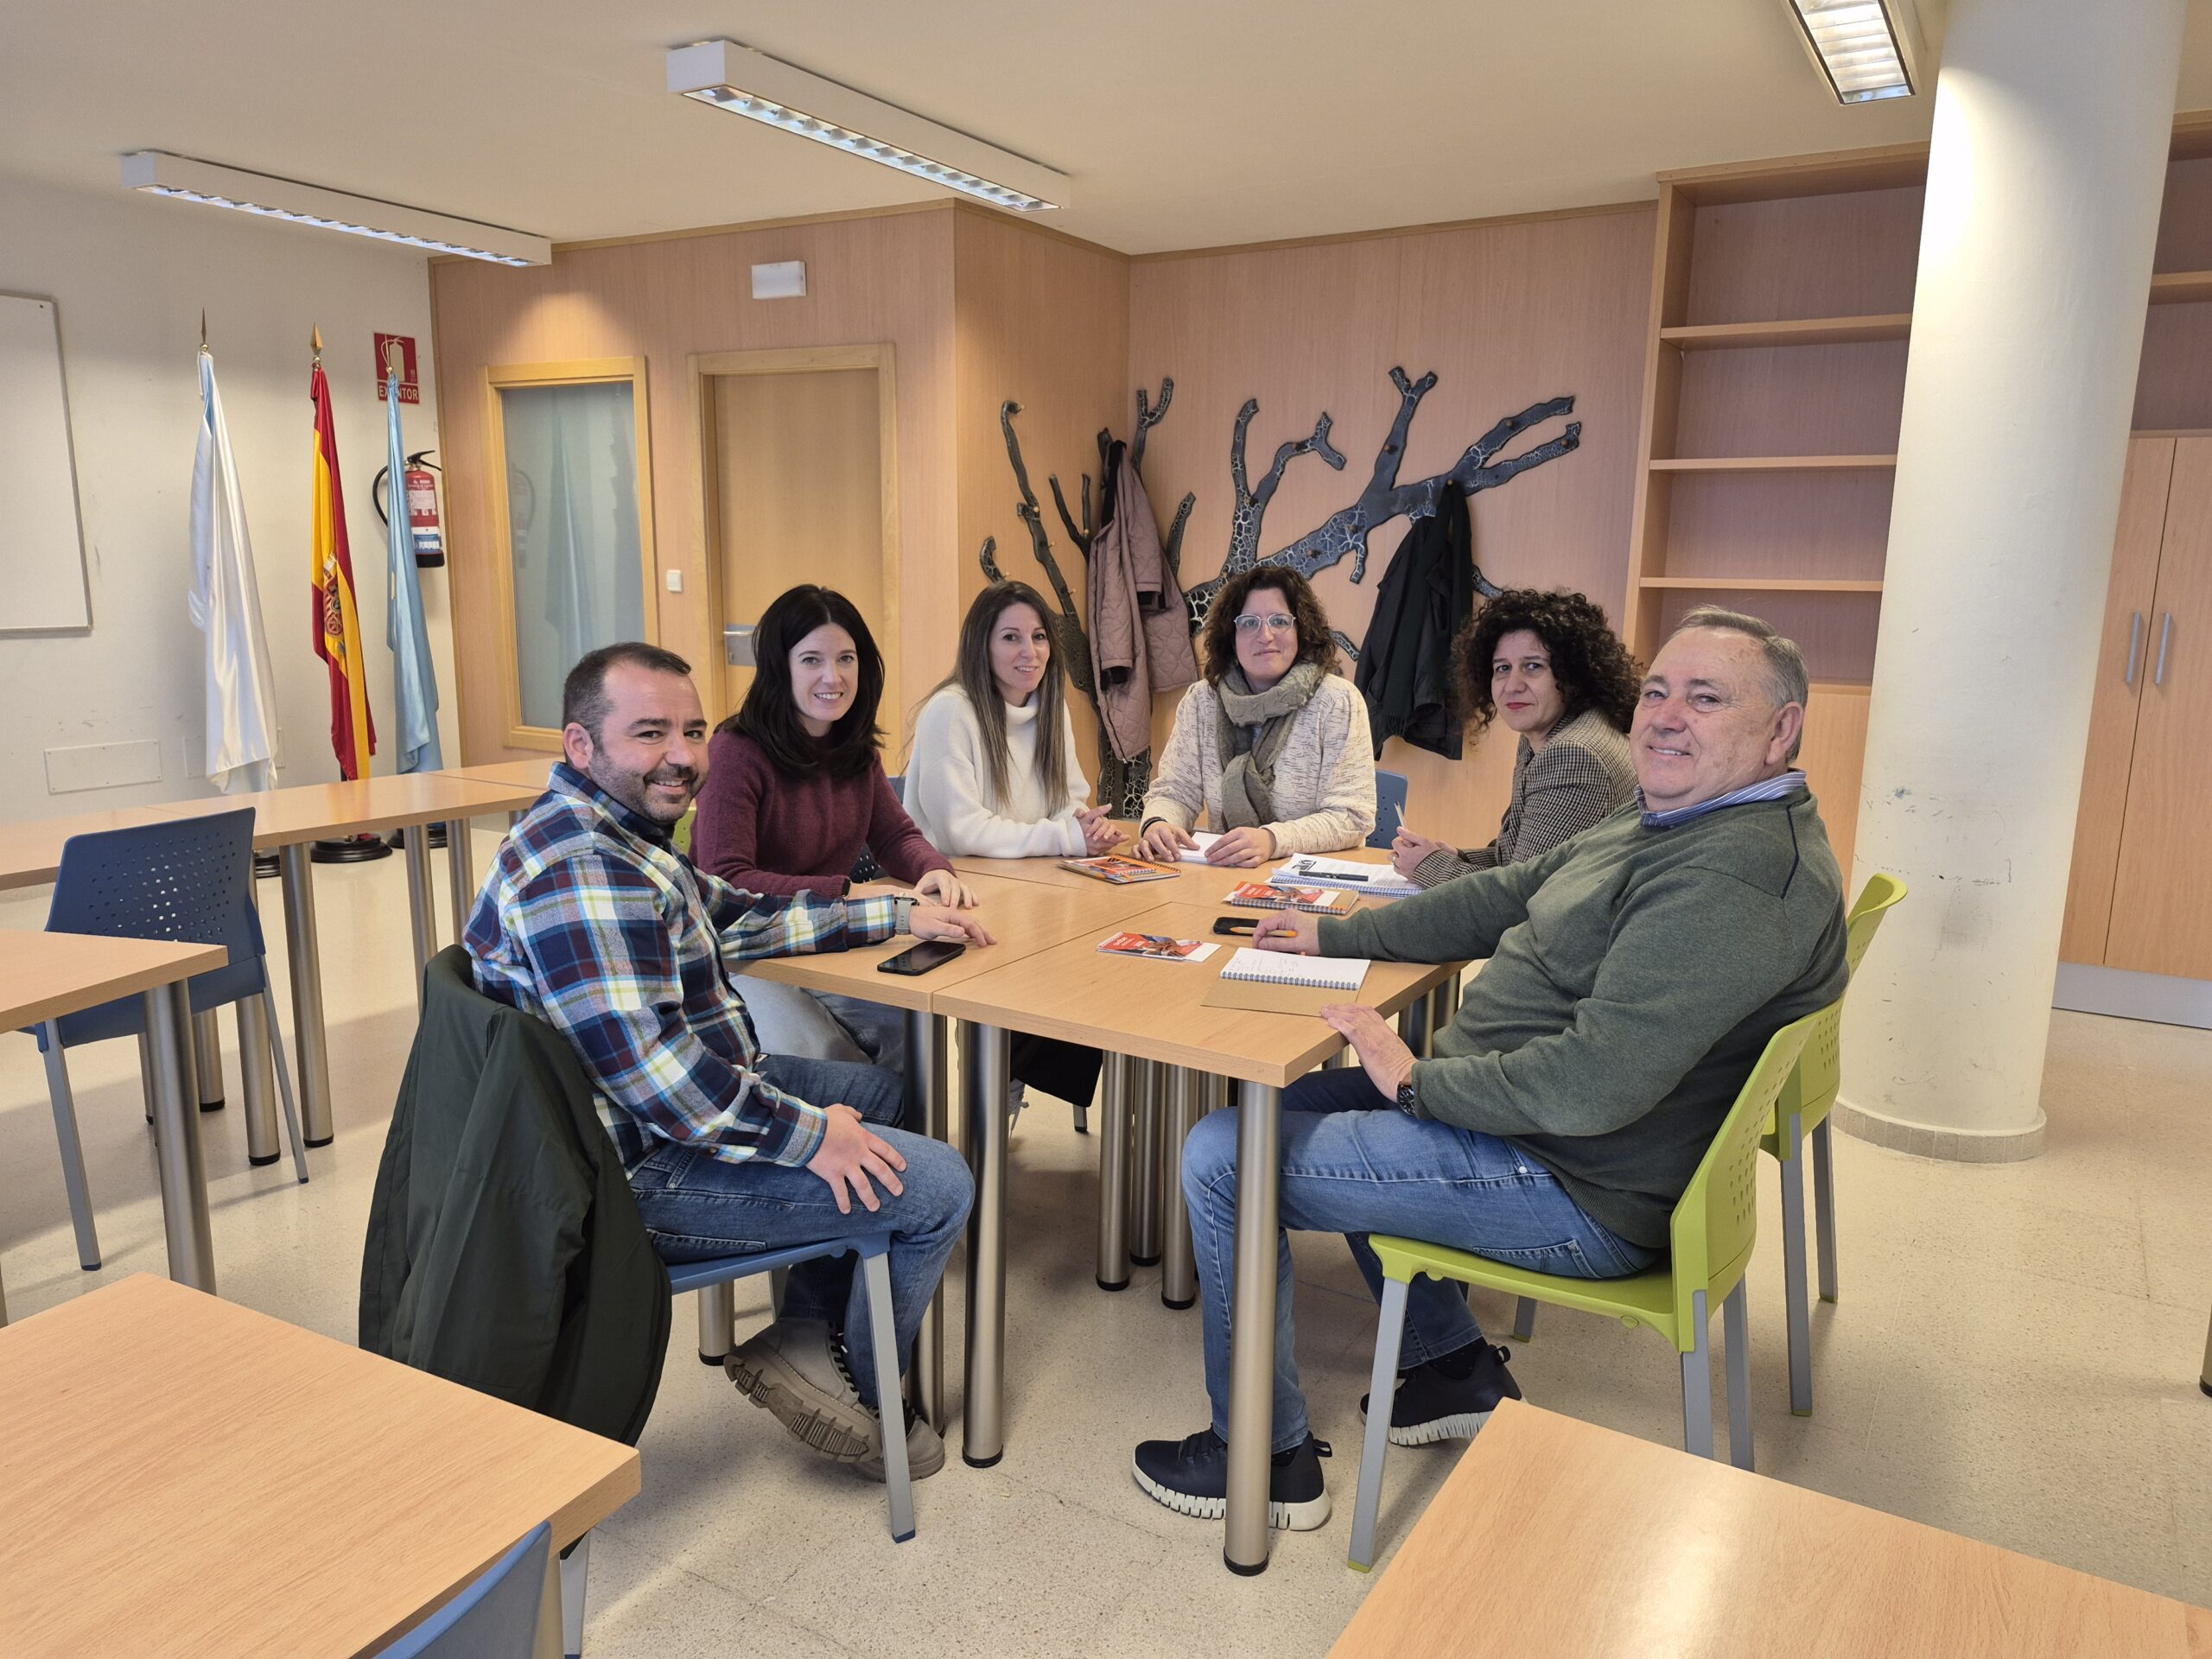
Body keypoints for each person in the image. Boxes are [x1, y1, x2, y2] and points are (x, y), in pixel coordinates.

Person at [1130, 607, 1849, 1530]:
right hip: (1540, 1131)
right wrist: (1334, 936)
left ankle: (1260, 1463)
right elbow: (1511, 890)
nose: (1666, 718)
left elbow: (1591, 1082)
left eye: (1706, 700)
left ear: (1781, 730)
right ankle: (1450, 1367)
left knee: (1224, 1156)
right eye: (1659, 692)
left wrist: (1415, 1083)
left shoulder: (1732, 876)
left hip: (1576, 1183)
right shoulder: (1678, 816)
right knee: (1292, 1103)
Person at [466, 641, 991, 1481]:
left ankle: (807, 1338)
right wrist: (813, 1137)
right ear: (580, 745)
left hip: (657, 1118)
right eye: (650, 733)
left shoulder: (620, 835)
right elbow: (661, 1082)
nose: (681, 755)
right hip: (633, 1173)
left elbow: (739, 915)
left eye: (692, 730)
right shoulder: (584, 869)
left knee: (882, 1095)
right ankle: (867, 1391)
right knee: (938, 1188)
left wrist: (893, 916)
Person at [692, 585, 975, 1074]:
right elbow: (727, 878)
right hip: (745, 949)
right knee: (832, 1058)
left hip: (830, 938)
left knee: (909, 1026)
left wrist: (934, 869)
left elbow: (896, 836)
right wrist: (846, 892)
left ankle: (908, 1126)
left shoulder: (855, 749)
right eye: (811, 660)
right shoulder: (735, 751)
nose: (833, 676)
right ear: (779, 668)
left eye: (846, 658)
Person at [904, 581, 1113, 1120]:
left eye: (1039, 637)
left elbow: (1069, 800)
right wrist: (1065, 837)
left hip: (1036, 884)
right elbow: (960, 832)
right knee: (1031, 958)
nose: (1030, 652)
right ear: (982, 643)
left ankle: (1019, 1080)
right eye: (1011, 637)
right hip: (965, 892)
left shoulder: (1050, 706)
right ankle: (996, 1098)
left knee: (1095, 957)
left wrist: (1085, 828)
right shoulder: (951, 711)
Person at [1389, 588, 1639, 886]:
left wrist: (1429, 866)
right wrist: (1453, 857)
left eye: (1533, 666)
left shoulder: (1574, 754)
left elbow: (1521, 894)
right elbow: (1516, 857)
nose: (1512, 685)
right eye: (1502, 668)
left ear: (1572, 674)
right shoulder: (1547, 733)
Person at [1135, 567, 1376, 868]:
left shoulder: (1337, 700)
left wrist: (1272, 840)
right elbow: (1176, 791)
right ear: (1231, 636)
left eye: (1279, 621)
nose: (1265, 636)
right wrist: (1159, 822)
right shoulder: (1202, 700)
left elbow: (1352, 817)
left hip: (1309, 876)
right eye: (1249, 623)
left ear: (1302, 630)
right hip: (1226, 871)